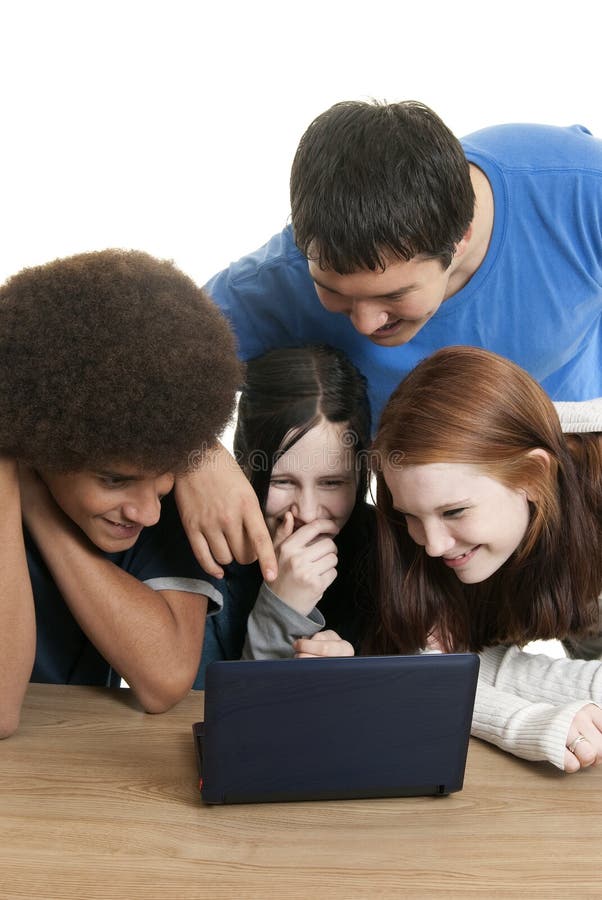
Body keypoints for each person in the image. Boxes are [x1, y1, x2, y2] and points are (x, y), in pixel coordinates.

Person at [175, 98, 602, 582]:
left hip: (572, 447)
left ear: (459, 238)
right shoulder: (272, 282)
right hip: (420, 504)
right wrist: (197, 454)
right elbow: (143, 362)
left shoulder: (581, 191)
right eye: (333, 291)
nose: (364, 323)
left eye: (394, 296)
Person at [0, 249, 242, 738]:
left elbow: (165, 679)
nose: (148, 511)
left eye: (164, 476)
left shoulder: (158, 485)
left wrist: (38, 504)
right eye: (114, 479)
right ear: (39, 445)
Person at [366, 345, 601, 772]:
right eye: (411, 516)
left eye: (454, 512)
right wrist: (525, 721)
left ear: (534, 476)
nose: (433, 546)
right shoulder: (416, 509)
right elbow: (423, 668)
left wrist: (494, 680)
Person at [194, 345, 376, 688]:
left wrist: (353, 688)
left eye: (332, 483)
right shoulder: (207, 558)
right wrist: (282, 610)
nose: (307, 512)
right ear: (243, 465)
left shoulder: (390, 551)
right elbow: (206, 721)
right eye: (281, 481)